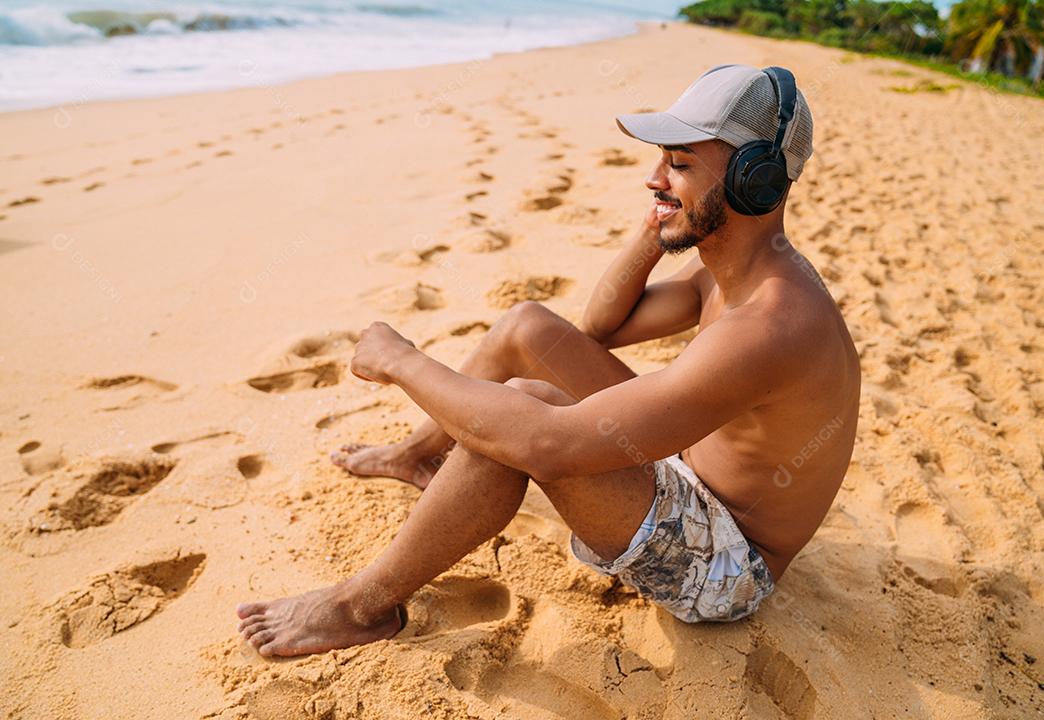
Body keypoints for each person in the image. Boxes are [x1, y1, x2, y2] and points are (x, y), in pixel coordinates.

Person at [236, 64, 861, 657]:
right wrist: (662, 220)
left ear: (758, 182)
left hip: (729, 562)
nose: (653, 177)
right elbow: (600, 327)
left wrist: (402, 361)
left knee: (514, 422)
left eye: (678, 164)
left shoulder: (770, 325)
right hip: (688, 464)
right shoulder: (730, 271)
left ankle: (360, 606)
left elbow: (547, 447)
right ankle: (414, 456)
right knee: (528, 327)